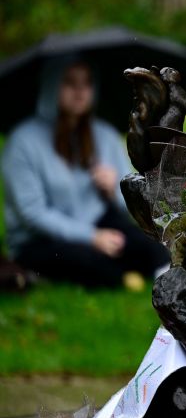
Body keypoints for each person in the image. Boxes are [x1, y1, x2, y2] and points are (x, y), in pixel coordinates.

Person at [2, 58, 169, 288]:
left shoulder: (104, 135)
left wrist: (114, 189)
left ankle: (157, 281)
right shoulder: (23, 142)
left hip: (101, 223)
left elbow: (131, 202)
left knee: (152, 248)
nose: (80, 91)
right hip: (40, 239)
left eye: (87, 82)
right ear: (52, 85)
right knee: (96, 266)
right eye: (70, 82)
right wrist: (91, 237)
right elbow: (32, 213)